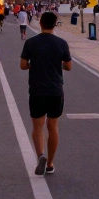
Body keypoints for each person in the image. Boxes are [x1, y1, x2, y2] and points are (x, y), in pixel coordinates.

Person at [20, 11, 71, 176]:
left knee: (37, 127)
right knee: (53, 127)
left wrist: (33, 65)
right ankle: (50, 163)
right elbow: (69, 66)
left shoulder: (31, 43)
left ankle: (40, 155)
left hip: (37, 89)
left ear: (40, 23)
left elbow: (22, 65)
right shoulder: (62, 43)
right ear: (55, 25)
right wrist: (58, 65)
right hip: (55, 90)